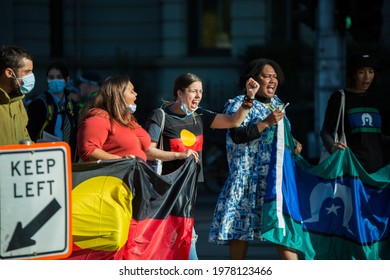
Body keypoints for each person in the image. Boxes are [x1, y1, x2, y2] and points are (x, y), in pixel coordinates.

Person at [144, 72, 258, 260]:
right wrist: (180, 155)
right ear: (180, 93)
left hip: (188, 190)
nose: (198, 96)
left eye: (201, 92)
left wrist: (249, 97)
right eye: (193, 91)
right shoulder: (161, 115)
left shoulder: (200, 115)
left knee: (178, 242)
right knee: (185, 242)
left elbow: (233, 121)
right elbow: (149, 151)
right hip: (165, 189)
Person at [208, 58, 302, 260]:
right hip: (247, 179)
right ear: (253, 80)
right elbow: (237, 135)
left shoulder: (277, 104)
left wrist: (293, 143)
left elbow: (280, 136)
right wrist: (266, 123)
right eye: (267, 76)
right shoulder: (237, 104)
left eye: (275, 77)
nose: (272, 80)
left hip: (274, 181)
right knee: (240, 234)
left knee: (282, 231)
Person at [320, 52, 390, 173]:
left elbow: (381, 135)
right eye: (361, 72)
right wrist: (332, 146)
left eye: (371, 71)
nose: (367, 77)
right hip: (351, 170)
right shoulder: (340, 97)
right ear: (353, 74)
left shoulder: (379, 98)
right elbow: (326, 131)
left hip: (380, 172)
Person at [77, 75, 150, 162]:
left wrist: (170, 156)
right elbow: (88, 151)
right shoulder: (98, 120)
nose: (136, 94)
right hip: (115, 174)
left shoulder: (128, 121)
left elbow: (148, 151)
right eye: (131, 91)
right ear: (118, 95)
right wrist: (120, 160)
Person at [26, 62, 79, 161]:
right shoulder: (39, 104)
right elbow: (28, 133)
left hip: (68, 158)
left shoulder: (71, 104)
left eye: (59, 77)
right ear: (47, 80)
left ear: (67, 79)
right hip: (44, 158)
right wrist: (37, 141)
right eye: (51, 77)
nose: (55, 81)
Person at [0, 45, 34, 145]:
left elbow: (24, 138)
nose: (31, 77)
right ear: (9, 73)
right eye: (27, 72)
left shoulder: (17, 101)